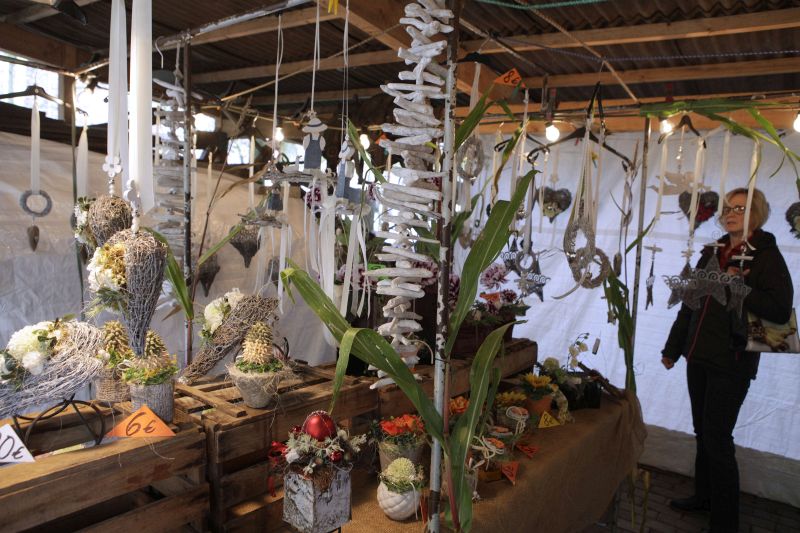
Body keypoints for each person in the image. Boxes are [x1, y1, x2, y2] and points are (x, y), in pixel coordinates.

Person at [661, 187, 794, 533]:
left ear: (756, 215)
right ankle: (704, 497)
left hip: (732, 361)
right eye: (729, 208)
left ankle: (725, 522)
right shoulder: (713, 251)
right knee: (703, 432)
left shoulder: (766, 256)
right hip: (698, 355)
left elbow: (780, 310)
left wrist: (740, 288)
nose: (731, 214)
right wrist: (673, 348)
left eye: (740, 208)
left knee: (718, 438)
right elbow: (690, 302)